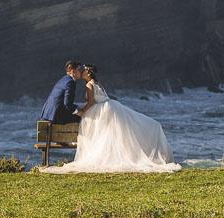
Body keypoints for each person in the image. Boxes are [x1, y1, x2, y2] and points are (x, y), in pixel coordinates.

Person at [40, 64, 181, 173]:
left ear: (88, 73)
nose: (81, 72)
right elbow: (100, 98)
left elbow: (91, 103)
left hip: (99, 110)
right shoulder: (97, 84)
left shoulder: (89, 85)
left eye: (83, 71)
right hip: (110, 108)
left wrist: (82, 112)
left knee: (90, 124)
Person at [40, 60, 84, 125]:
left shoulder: (64, 79)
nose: (81, 72)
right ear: (73, 71)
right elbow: (67, 104)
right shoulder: (70, 82)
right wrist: (78, 112)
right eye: (79, 70)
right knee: (84, 118)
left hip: (48, 113)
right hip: (56, 116)